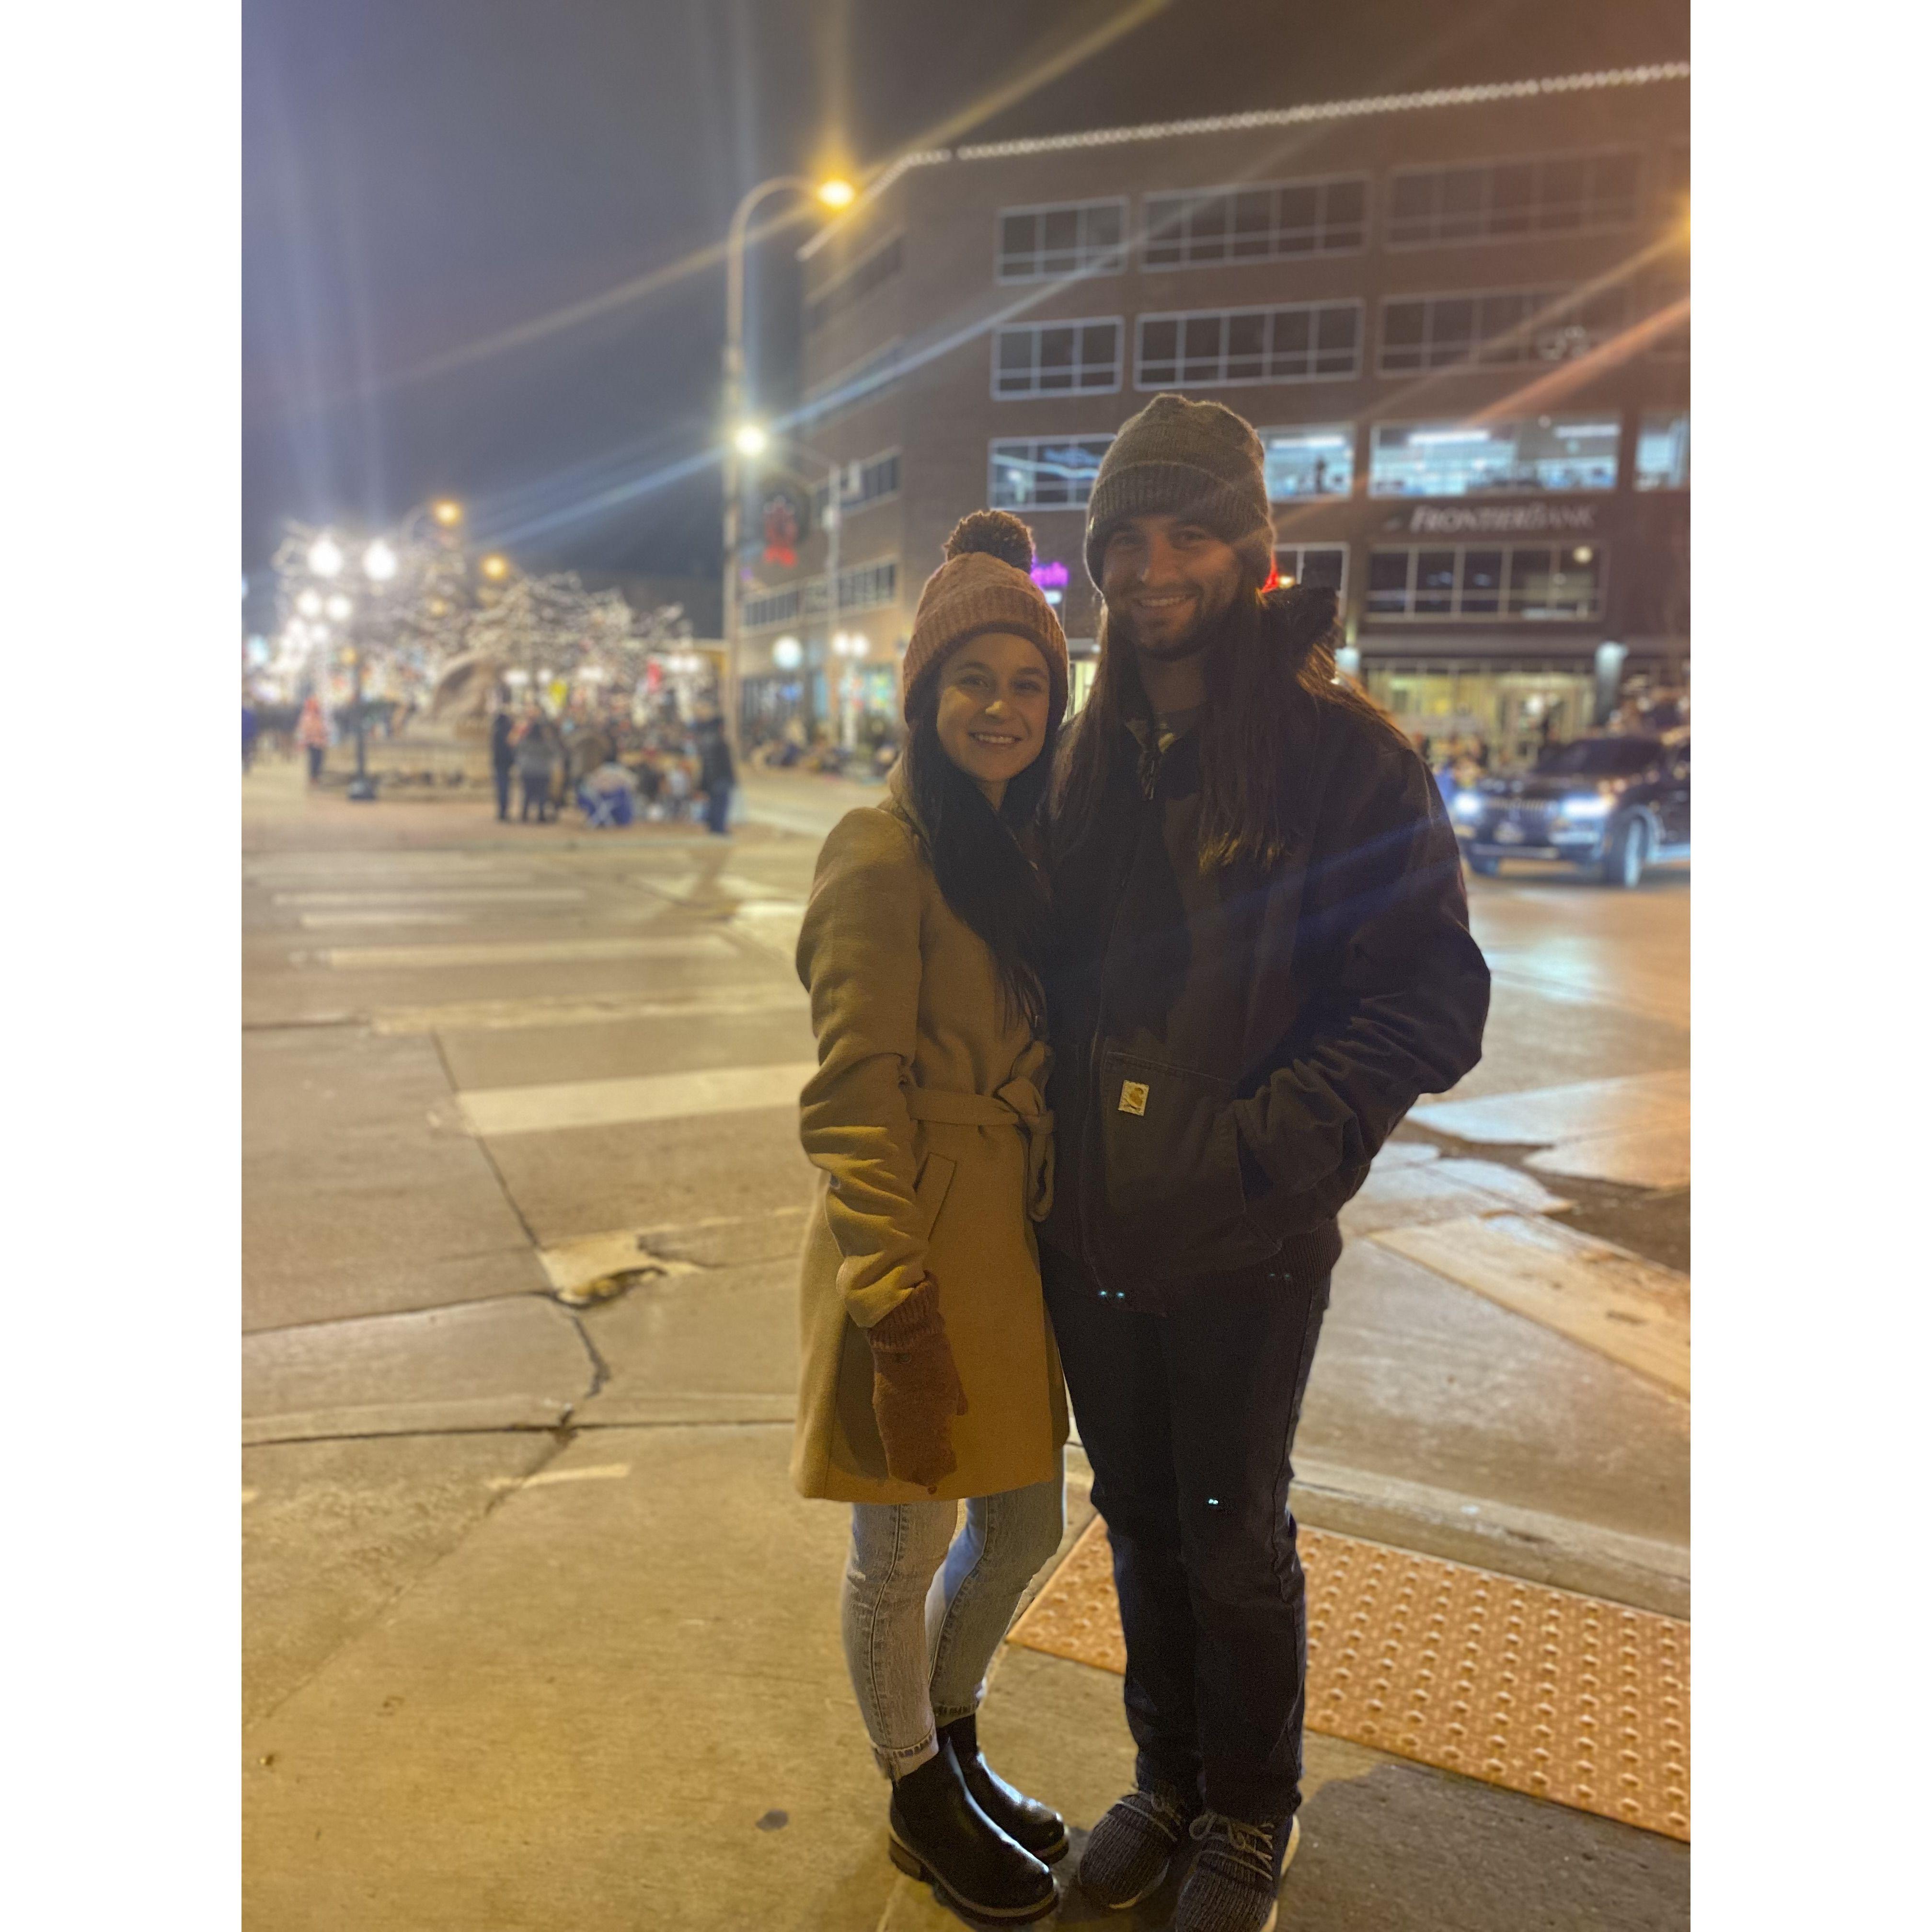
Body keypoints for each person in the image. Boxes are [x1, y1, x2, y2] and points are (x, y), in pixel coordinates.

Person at [1042, 396, 1492, 1932]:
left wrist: (1263, 1153)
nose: (1154, 566)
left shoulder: (1343, 756)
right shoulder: (1092, 749)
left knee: (1235, 1534)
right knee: (1141, 1521)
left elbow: (1430, 996)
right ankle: (1165, 1779)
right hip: (1092, 1227)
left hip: (1245, 1235)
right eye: (1127, 538)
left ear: (1253, 549)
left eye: (1187, 532)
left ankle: (1249, 1812)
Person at [792, 511, 1073, 1927]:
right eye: (975, 681)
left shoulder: (1020, 850)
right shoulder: (880, 851)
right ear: (923, 694)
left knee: (1023, 1524)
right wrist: (893, 1305)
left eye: (1029, 684)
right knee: (902, 1547)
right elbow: (851, 1095)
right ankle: (912, 1788)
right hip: (915, 1235)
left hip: (1014, 1241)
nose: (1003, 709)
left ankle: (954, 1737)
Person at [516, 709, 560, 824]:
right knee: (542, 794)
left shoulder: (526, 741)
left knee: (527, 794)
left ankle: (525, 814)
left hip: (528, 771)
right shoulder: (545, 743)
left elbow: (518, 750)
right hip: (542, 771)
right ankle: (541, 814)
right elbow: (554, 752)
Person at [696, 713, 736, 836]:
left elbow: (706, 765)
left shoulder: (707, 741)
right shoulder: (720, 742)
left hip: (711, 780)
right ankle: (719, 829)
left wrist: (704, 783)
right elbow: (725, 765)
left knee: (714, 804)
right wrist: (731, 779)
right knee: (721, 805)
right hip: (721, 779)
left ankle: (714, 828)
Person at [490, 702, 516, 823]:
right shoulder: (508, 730)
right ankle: (504, 810)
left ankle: (502, 810)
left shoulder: (496, 731)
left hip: (499, 762)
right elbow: (512, 745)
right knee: (505, 786)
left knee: (502, 787)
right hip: (506, 762)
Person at [298, 696, 329, 784]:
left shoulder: (319, 716)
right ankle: (313, 777)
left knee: (319, 760)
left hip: (320, 742)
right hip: (312, 742)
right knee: (314, 760)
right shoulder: (308, 717)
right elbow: (305, 730)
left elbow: (324, 728)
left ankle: (316, 776)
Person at [242, 696, 259, 773]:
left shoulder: (249, 714)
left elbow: (252, 725)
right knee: (246, 753)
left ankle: (246, 766)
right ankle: (246, 766)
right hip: (247, 737)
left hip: (246, 737)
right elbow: (253, 725)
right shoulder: (249, 714)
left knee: (245, 753)